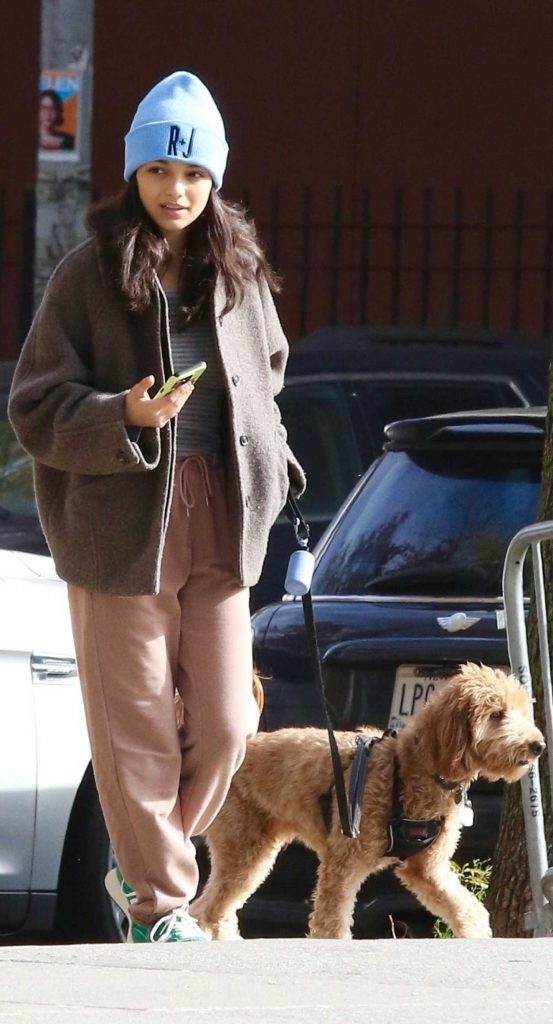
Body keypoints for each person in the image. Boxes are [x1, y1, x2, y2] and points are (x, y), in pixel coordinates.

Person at [9, 71, 305, 943]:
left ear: (214, 181)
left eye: (193, 176)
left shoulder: (239, 275)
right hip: (119, 522)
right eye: (158, 174)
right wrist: (123, 416)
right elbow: (33, 406)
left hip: (222, 513)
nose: (175, 192)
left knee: (226, 722)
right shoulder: (88, 274)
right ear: (133, 176)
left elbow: (271, 375)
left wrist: (275, 458)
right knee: (133, 722)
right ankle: (158, 902)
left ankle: (144, 859)